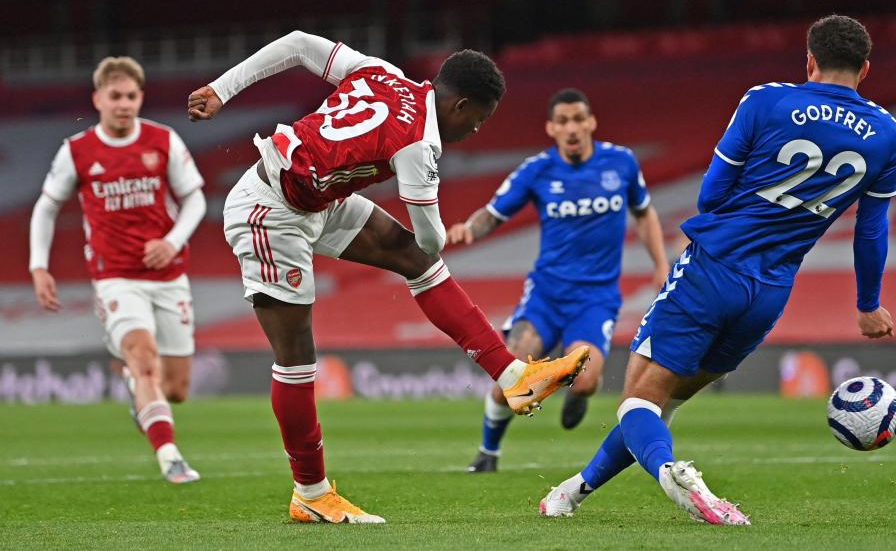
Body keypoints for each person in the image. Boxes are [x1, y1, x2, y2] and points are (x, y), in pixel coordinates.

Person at [186, 31, 590, 524]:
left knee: (412, 260)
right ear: (460, 106)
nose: (476, 132)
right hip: (270, 211)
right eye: (479, 120)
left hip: (315, 196)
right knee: (297, 361)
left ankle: (514, 377)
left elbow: (296, 43)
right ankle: (310, 493)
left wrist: (222, 89)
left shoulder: (382, 73)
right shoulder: (420, 146)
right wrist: (440, 220)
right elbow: (432, 237)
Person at [539, 15, 896, 525]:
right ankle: (571, 493)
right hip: (770, 292)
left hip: (713, 269)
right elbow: (871, 229)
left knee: (638, 400)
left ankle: (673, 476)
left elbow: (711, 194)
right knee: (664, 403)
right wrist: (867, 305)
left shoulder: (767, 101)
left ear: (810, 60)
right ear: (865, 69)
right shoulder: (887, 134)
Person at [447, 88, 670, 473]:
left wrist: (661, 264)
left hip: (596, 298)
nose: (572, 128)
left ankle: (581, 394)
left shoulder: (621, 163)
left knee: (583, 381)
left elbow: (644, 213)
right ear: (551, 127)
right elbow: (494, 213)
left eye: (579, 119)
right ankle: (488, 452)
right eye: (563, 121)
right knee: (512, 377)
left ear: (591, 122)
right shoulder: (537, 170)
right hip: (546, 296)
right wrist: (469, 228)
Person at [30, 56, 207, 484]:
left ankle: (135, 388)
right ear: (98, 99)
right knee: (145, 358)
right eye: (115, 96)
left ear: (140, 97)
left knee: (177, 388)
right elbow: (47, 207)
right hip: (116, 277)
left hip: (168, 277)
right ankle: (170, 457)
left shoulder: (164, 141)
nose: (124, 104)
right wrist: (39, 266)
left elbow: (196, 200)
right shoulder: (77, 150)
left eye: (131, 96)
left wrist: (171, 242)